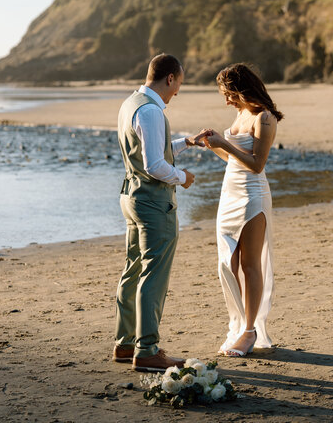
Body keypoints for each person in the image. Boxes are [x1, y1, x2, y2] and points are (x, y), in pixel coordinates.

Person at [113, 53, 207, 372]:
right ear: (170, 78)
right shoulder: (152, 111)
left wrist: (187, 142)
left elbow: (147, 151)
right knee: (153, 274)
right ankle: (148, 349)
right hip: (153, 202)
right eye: (179, 83)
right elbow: (155, 165)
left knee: (133, 269)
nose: (178, 90)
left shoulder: (131, 103)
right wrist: (184, 178)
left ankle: (125, 345)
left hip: (131, 196)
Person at [203, 63, 283, 357]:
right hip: (229, 194)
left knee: (250, 264)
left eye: (227, 94)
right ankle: (239, 323)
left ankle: (249, 331)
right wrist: (214, 145)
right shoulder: (240, 114)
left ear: (240, 89)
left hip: (252, 196)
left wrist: (225, 141)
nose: (226, 101)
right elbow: (234, 159)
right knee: (227, 262)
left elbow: (256, 164)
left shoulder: (265, 118)